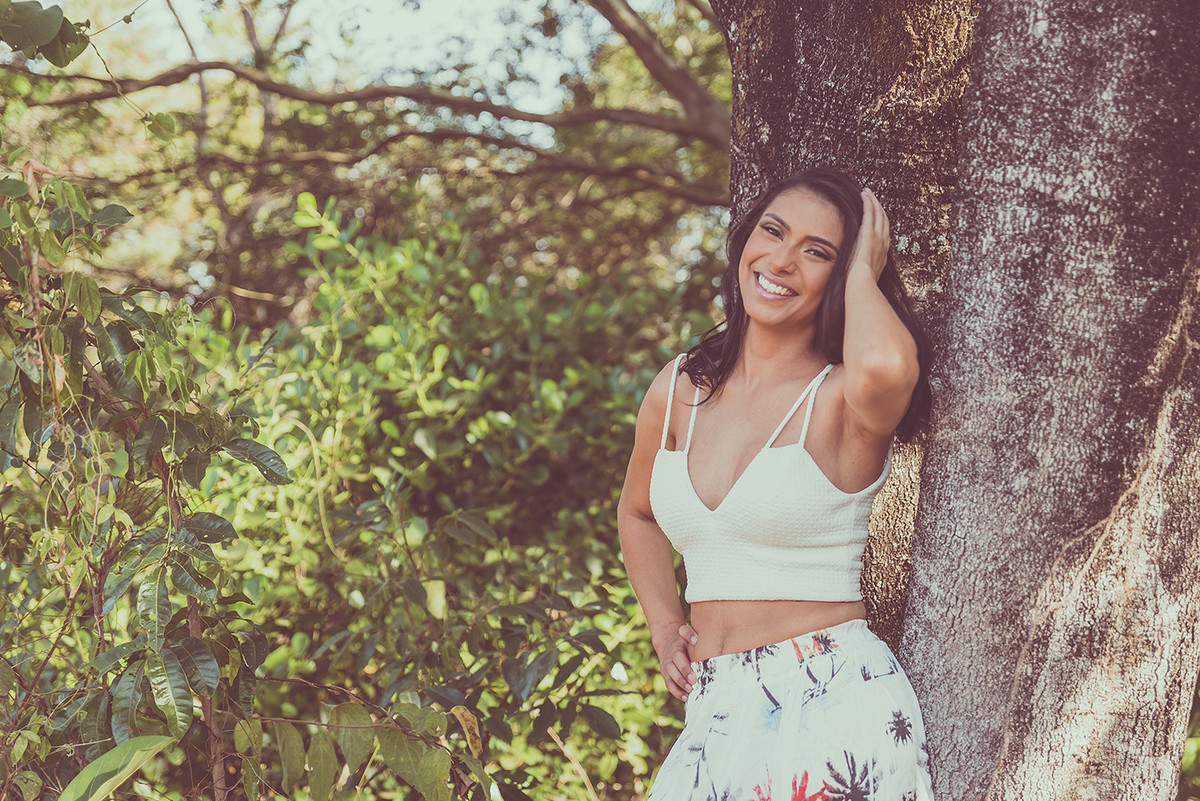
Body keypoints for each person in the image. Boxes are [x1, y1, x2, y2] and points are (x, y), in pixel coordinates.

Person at [617, 166, 935, 800]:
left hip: (831, 694)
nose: (783, 261)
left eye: (817, 253)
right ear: (745, 241)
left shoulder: (841, 399)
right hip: (715, 707)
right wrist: (662, 623)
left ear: (841, 276)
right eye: (774, 233)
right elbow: (639, 513)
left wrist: (863, 275)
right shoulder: (680, 387)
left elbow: (890, 364)